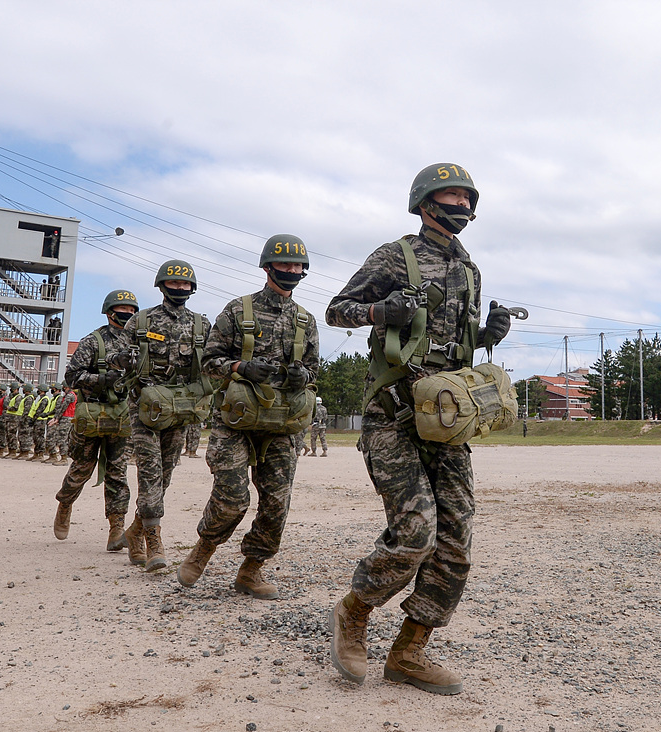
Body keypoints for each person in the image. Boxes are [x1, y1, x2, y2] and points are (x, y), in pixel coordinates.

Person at [325, 163, 512, 695]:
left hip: (446, 422)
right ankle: (354, 612)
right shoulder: (395, 255)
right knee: (415, 533)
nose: (462, 205)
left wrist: (486, 334)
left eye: (467, 197)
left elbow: (454, 344)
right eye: (451, 195)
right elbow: (338, 310)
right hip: (393, 417)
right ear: (426, 202)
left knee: (456, 543)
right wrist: (380, 310)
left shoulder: (470, 270)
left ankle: (409, 652)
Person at [177, 236, 319, 598]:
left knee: (276, 504)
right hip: (236, 420)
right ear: (268, 267)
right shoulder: (238, 311)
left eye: (297, 266)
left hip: (283, 424)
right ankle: (204, 548)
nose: (292, 271)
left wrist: (305, 376)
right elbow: (208, 362)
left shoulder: (305, 319)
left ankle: (251, 570)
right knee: (232, 498)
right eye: (285, 265)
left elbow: (315, 370)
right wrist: (241, 366)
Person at [110, 260, 211, 572]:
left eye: (185, 285)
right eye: (174, 284)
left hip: (179, 410)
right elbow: (115, 359)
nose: (179, 289)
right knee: (150, 471)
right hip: (145, 408)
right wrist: (124, 359)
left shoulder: (200, 325)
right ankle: (153, 540)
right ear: (162, 285)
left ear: (192, 289)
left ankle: (135, 531)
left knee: (164, 474)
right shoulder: (140, 322)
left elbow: (213, 361)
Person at [53, 289, 138, 549]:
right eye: (123, 310)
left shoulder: (138, 342)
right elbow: (72, 377)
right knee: (81, 469)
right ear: (110, 312)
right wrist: (102, 379)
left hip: (122, 416)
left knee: (118, 474)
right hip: (92, 413)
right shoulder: (93, 341)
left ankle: (116, 528)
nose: (128, 315)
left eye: (133, 311)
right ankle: (65, 504)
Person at [46, 382, 76, 465]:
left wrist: (56, 418)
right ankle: (62, 457)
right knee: (61, 438)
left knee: (62, 439)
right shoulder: (67, 395)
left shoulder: (70, 395)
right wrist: (56, 418)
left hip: (66, 419)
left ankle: (64, 459)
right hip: (64, 418)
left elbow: (63, 407)